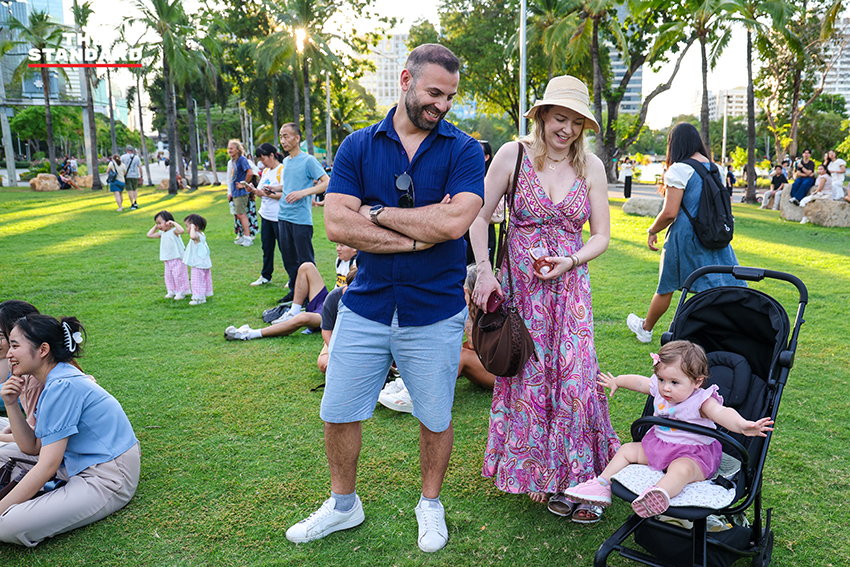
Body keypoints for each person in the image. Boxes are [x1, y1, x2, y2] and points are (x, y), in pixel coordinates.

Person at [285, 44, 484, 553]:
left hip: (435, 310)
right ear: (405, 80)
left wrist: (372, 214)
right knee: (338, 411)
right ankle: (343, 505)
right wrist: (421, 234)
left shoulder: (462, 149)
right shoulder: (357, 146)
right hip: (366, 304)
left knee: (436, 416)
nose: (442, 105)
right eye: (434, 92)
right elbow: (334, 223)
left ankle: (430, 504)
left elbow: (456, 221)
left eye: (450, 96)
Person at [468, 75, 619, 523]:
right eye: (559, 118)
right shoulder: (511, 156)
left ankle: (577, 476)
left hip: (570, 293)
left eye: (576, 122)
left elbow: (602, 236)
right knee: (530, 381)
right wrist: (484, 272)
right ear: (541, 116)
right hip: (521, 294)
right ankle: (536, 470)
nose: (567, 129)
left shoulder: (591, 166)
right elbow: (479, 217)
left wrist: (571, 261)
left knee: (574, 381)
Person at [565, 341, 774, 519]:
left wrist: (742, 425)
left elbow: (722, 413)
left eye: (674, 382)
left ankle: (659, 493)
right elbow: (639, 382)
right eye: (662, 379)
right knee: (628, 449)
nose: (665, 387)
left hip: (694, 454)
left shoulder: (701, 401)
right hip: (660, 445)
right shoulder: (660, 389)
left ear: (697, 382)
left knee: (681, 469)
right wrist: (617, 381)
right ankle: (602, 485)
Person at [0, 314, 140, 546]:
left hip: (106, 476)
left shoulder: (62, 385)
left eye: (15, 346)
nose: (9, 353)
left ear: (43, 349)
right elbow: (33, 447)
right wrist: (12, 403)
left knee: (6, 525)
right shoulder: (55, 378)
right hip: (74, 464)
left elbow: (47, 465)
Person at [626, 122, 746, 343]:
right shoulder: (714, 167)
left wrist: (652, 230)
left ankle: (646, 328)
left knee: (667, 286)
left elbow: (670, 212)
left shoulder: (679, 169)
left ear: (676, 144)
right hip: (713, 233)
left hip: (686, 236)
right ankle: (725, 331)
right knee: (716, 283)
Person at [276, 123, 330, 303]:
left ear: (297, 138)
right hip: (283, 216)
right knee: (288, 259)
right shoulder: (286, 161)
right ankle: (295, 292)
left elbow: (326, 182)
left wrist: (303, 193)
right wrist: (273, 188)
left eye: (286, 136)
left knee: (305, 261)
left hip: (301, 220)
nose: (282, 140)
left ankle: (313, 297)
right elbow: (290, 186)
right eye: (281, 136)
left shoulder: (308, 160)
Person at [242, 143, 285, 286]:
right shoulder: (266, 171)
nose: (262, 162)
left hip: (279, 216)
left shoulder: (282, 170)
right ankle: (266, 275)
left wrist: (266, 194)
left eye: (263, 158)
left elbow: (285, 193)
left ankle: (293, 277)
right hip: (265, 215)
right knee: (267, 247)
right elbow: (262, 192)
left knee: (285, 248)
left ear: (271, 155)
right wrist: (253, 190)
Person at [0, 301, 42, 447]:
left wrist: (2, 437)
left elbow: (35, 440)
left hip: (43, 448)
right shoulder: (18, 364)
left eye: (0, 336)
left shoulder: (36, 379)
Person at [464, 140, 499, 265]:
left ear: (486, 157)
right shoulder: (464, 175)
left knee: (483, 267)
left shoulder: (492, 179)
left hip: (486, 229)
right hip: (465, 229)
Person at [146, 210, 189, 300]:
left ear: (168, 223)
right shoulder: (162, 233)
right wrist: (156, 226)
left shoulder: (174, 231)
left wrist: (173, 222)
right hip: (167, 258)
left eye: (160, 223)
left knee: (178, 276)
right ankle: (171, 291)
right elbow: (149, 235)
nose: (158, 226)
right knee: (169, 276)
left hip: (177, 258)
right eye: (156, 223)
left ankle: (180, 292)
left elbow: (181, 230)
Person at [226, 140, 256, 246]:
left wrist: (244, 185)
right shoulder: (233, 161)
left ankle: (248, 237)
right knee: (239, 214)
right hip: (235, 192)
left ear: (237, 150)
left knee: (242, 214)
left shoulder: (242, 159)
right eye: (228, 148)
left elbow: (250, 172)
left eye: (231, 148)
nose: (229, 150)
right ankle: (243, 235)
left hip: (241, 192)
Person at [182, 214, 212, 306]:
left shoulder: (197, 236)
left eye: (188, 226)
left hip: (198, 264)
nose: (187, 229)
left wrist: (192, 228)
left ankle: (198, 298)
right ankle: (202, 295)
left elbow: (192, 236)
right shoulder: (201, 234)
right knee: (202, 279)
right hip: (202, 262)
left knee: (196, 281)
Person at [120, 146, 141, 210]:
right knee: (135, 189)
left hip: (127, 175)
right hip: (135, 175)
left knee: (130, 190)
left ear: (126, 150)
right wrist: (141, 176)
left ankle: (132, 203)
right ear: (132, 150)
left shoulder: (122, 157)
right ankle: (135, 201)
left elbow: (120, 166)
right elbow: (140, 167)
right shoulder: (137, 157)